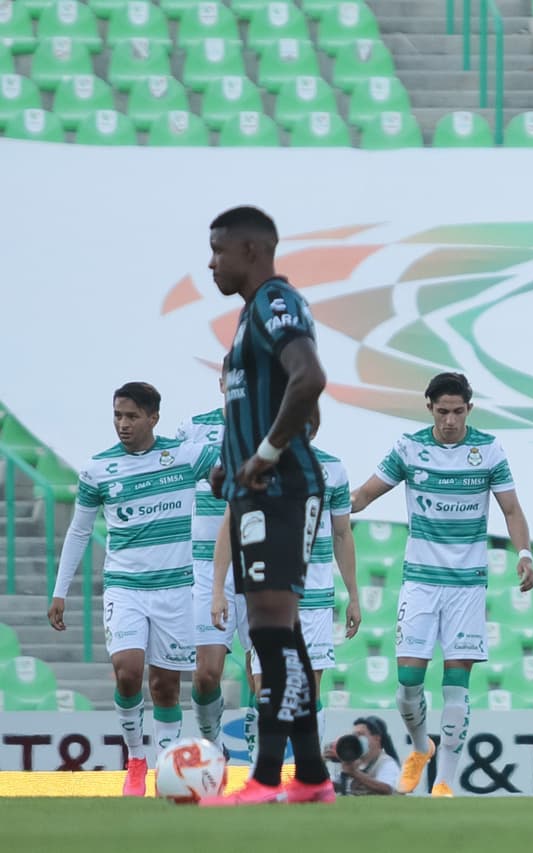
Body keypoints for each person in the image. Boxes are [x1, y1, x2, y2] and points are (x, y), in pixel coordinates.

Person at [198, 205, 333, 807]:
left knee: (272, 632)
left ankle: (268, 777)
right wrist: (233, 460)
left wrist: (268, 453)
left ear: (251, 250)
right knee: (279, 633)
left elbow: (310, 379)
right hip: (257, 491)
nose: (211, 263)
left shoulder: (276, 301)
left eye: (218, 250)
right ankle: (311, 777)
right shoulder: (250, 314)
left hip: (282, 491)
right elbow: (271, 398)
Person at [350, 371, 533, 797]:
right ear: (429, 408)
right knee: (408, 682)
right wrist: (326, 502)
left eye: (457, 412)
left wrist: (524, 553)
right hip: (420, 581)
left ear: (469, 409)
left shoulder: (488, 450)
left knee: (455, 686)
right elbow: (364, 495)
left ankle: (445, 782)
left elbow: (511, 510)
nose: (450, 420)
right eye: (442, 412)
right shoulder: (409, 448)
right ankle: (421, 747)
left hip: (467, 586)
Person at [48, 382, 219, 796]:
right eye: (117, 416)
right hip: (125, 588)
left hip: (175, 589)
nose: (122, 424)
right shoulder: (98, 469)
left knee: (165, 686)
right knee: (127, 672)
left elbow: (230, 475)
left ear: (153, 418)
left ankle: (166, 769)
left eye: (131, 416)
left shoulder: (185, 456)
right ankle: (136, 759)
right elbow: (79, 531)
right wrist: (59, 590)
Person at [219, 444, 361, 762]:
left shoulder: (333, 468)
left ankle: (306, 772)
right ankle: (265, 772)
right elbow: (230, 528)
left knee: (308, 691)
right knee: (265, 687)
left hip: (315, 598)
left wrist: (353, 595)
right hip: (268, 596)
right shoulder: (256, 464)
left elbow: (342, 534)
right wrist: (218, 589)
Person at [176, 357, 251, 758]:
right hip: (206, 565)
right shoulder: (192, 429)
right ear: (221, 383)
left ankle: (260, 748)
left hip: (257, 561)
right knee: (206, 674)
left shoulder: (271, 432)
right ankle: (212, 739)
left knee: (263, 673)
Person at [326, 716, 400, 796]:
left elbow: (387, 789)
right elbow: (337, 785)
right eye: (354, 735)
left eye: (360, 734)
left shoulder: (386, 763)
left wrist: (354, 773)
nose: (356, 738)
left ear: (376, 738)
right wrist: (322, 763)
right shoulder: (352, 759)